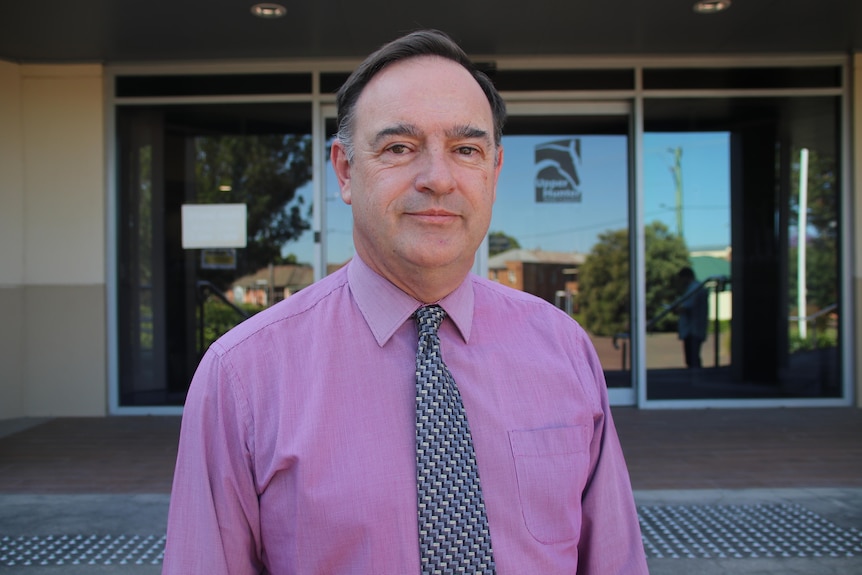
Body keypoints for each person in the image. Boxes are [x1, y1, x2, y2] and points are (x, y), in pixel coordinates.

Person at [162, 29, 648, 575]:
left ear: (494, 171)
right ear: (345, 171)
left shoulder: (565, 351)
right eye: (399, 148)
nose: (438, 178)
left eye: (466, 150)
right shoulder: (241, 377)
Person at [676, 266, 709, 369]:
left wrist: (677, 309)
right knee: (693, 357)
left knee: (692, 358)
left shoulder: (694, 289)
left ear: (686, 277)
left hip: (692, 330)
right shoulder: (695, 288)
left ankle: (696, 378)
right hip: (693, 328)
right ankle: (697, 377)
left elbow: (687, 307)